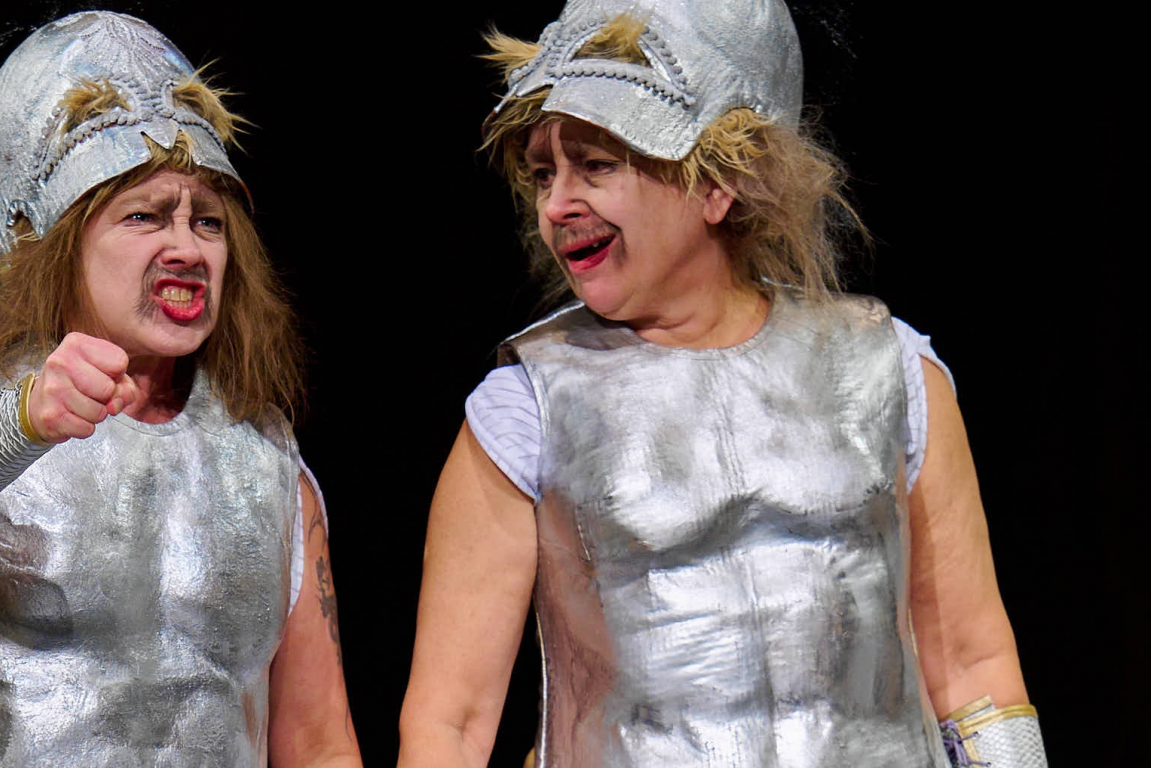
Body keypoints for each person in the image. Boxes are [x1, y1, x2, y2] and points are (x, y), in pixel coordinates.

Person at [397, 1, 1043, 766]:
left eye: (597, 165)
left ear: (719, 183)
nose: (557, 205)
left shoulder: (891, 369)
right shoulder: (524, 408)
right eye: (544, 175)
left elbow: (973, 668)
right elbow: (451, 725)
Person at [0, 11, 362, 767]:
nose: (185, 248)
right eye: (144, 216)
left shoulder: (269, 465)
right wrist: (22, 420)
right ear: (49, 247)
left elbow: (317, 742)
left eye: (207, 222)